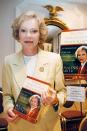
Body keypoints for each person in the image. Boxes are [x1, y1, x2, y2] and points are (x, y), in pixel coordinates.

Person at [2, 11, 66, 131]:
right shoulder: (8, 61)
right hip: (19, 125)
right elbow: (7, 95)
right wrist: (9, 108)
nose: (28, 36)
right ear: (18, 34)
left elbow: (62, 92)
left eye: (34, 31)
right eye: (23, 30)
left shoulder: (54, 59)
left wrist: (55, 99)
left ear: (40, 34)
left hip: (48, 126)